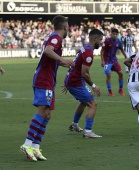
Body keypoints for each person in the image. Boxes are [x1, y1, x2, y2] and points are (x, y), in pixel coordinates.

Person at [20, 15, 75, 161]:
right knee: (43, 111)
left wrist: (65, 63)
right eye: (68, 26)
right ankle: (27, 144)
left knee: (48, 114)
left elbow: (50, 58)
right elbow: (48, 51)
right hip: (43, 79)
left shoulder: (55, 38)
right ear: (65, 27)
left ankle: (36, 147)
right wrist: (62, 59)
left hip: (49, 79)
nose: (68, 29)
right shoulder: (56, 38)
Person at [64, 29, 103, 138]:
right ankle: (88, 132)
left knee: (84, 101)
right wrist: (94, 86)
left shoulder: (85, 48)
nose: (100, 43)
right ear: (95, 39)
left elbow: (76, 65)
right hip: (75, 81)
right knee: (92, 104)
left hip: (73, 79)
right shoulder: (88, 52)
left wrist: (67, 80)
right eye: (100, 40)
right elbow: (84, 73)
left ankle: (74, 124)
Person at [101, 28, 127, 97]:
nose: (115, 35)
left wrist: (126, 57)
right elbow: (102, 51)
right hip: (107, 61)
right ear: (111, 34)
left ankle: (120, 90)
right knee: (109, 75)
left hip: (114, 60)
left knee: (121, 73)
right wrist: (102, 60)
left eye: (116, 34)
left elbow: (122, 50)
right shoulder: (107, 41)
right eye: (113, 34)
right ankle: (110, 92)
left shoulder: (118, 41)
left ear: (117, 34)